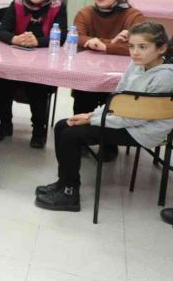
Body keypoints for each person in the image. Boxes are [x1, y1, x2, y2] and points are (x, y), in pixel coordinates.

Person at [35, 22, 173, 212]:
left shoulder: (165, 77)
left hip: (142, 130)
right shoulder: (136, 65)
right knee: (62, 126)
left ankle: (69, 194)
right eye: (132, 46)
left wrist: (91, 119)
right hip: (127, 119)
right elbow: (117, 100)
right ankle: (64, 182)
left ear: (162, 48)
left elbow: (136, 118)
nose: (135, 52)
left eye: (143, 47)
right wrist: (91, 114)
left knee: (71, 135)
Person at [72, 0, 146, 161]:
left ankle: (109, 143)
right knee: (83, 93)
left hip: (122, 74)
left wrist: (104, 45)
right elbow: (77, 37)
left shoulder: (134, 16)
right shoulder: (85, 13)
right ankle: (80, 137)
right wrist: (113, 43)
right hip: (91, 71)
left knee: (114, 100)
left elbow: (141, 47)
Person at [0, 0, 68, 147]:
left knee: (37, 86)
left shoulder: (57, 7)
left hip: (43, 62)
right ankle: (5, 123)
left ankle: (38, 131)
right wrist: (15, 39)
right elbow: (2, 31)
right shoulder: (17, 3)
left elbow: (62, 36)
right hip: (15, 59)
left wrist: (38, 42)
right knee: (2, 82)